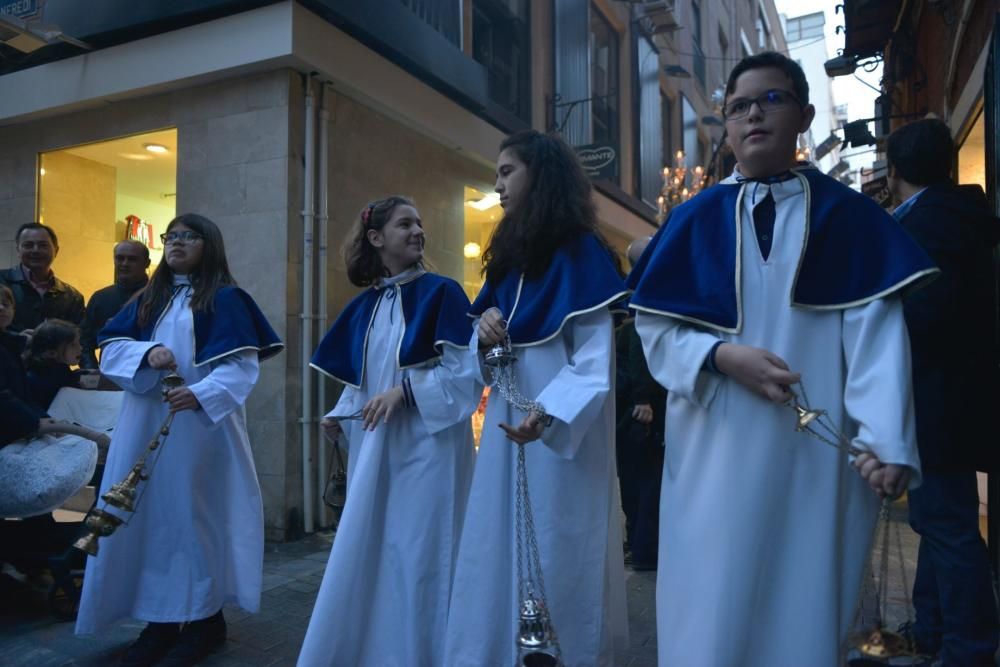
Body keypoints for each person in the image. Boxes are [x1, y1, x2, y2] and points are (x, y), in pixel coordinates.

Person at [627, 52, 935, 666]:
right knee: (709, 605)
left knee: (804, 606)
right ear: (727, 127)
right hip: (714, 450)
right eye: (739, 106)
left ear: (804, 115)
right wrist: (719, 357)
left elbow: (876, 336)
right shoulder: (692, 220)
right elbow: (656, 329)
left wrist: (885, 441)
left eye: (771, 100)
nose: (753, 115)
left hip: (815, 464)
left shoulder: (848, 219)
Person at [445, 130, 629, 667]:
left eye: (507, 171)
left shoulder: (583, 252)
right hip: (507, 427)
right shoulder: (507, 260)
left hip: (559, 435)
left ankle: (560, 654)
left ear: (540, 175)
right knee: (496, 542)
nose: (497, 183)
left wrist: (546, 415)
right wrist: (481, 325)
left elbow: (594, 359)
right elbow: (472, 354)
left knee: (560, 542)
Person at [74, 213, 283, 667]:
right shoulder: (149, 298)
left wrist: (202, 392)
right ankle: (161, 623)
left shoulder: (226, 298)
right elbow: (109, 349)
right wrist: (146, 352)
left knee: (196, 520)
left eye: (188, 236)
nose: (176, 243)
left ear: (210, 244)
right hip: (144, 424)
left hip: (202, 431)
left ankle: (206, 620)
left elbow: (242, 365)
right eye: (171, 236)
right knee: (152, 521)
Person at [299, 196, 479, 667]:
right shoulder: (368, 306)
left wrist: (406, 393)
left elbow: (466, 373)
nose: (418, 231)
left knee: (420, 548)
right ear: (376, 238)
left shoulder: (444, 292)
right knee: (378, 543)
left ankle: (425, 653)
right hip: (375, 444)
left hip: (428, 444)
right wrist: (340, 412)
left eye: (420, 223)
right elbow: (366, 376)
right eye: (405, 224)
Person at [886, 117, 1000, 666]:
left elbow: (922, 317)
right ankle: (933, 628)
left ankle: (967, 647)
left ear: (894, 171)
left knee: (947, 525)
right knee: (938, 520)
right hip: (955, 397)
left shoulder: (926, 225)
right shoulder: (961, 217)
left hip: (935, 399)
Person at [615, 236, 665, 572]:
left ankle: (640, 544)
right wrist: (643, 400)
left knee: (639, 481)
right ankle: (644, 548)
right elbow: (638, 351)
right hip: (642, 412)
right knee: (645, 482)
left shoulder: (630, 297)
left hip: (634, 410)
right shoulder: (642, 298)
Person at [0, 222, 85, 333]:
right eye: (28, 245)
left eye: (43, 245)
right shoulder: (2, 281)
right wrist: (16, 340)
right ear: (18, 250)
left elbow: (78, 337)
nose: (35, 250)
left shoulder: (72, 297)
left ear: (56, 250)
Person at [80, 240, 151, 369]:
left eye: (132, 259)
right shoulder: (100, 298)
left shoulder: (161, 297)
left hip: (150, 372)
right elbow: (85, 340)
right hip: (109, 375)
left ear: (147, 263)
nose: (125, 264)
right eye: (120, 258)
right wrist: (91, 370)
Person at [23, 318, 94, 411]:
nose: (80, 348)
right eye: (73, 345)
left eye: (78, 343)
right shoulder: (34, 380)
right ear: (51, 353)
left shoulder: (61, 370)